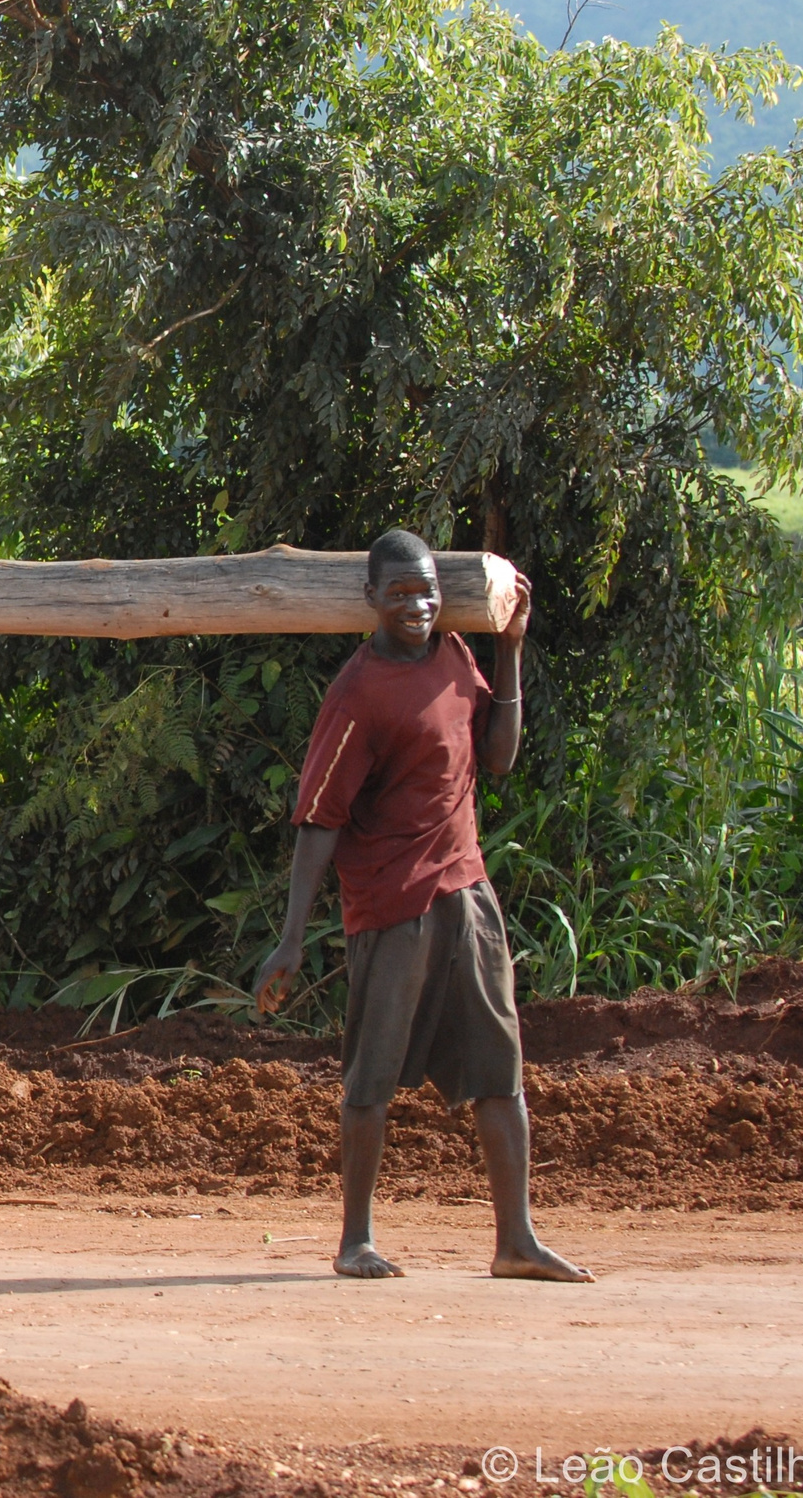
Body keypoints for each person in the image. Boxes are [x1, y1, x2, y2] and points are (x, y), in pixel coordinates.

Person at [257, 529, 587, 1282]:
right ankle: (355, 1241)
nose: (416, 604)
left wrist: (511, 648)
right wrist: (291, 938)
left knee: (500, 1072)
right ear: (371, 599)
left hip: (466, 896)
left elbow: (497, 758)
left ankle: (516, 1242)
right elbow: (319, 821)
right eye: (400, 593)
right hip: (392, 906)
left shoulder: (454, 657)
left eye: (427, 591)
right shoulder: (357, 693)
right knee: (371, 1077)